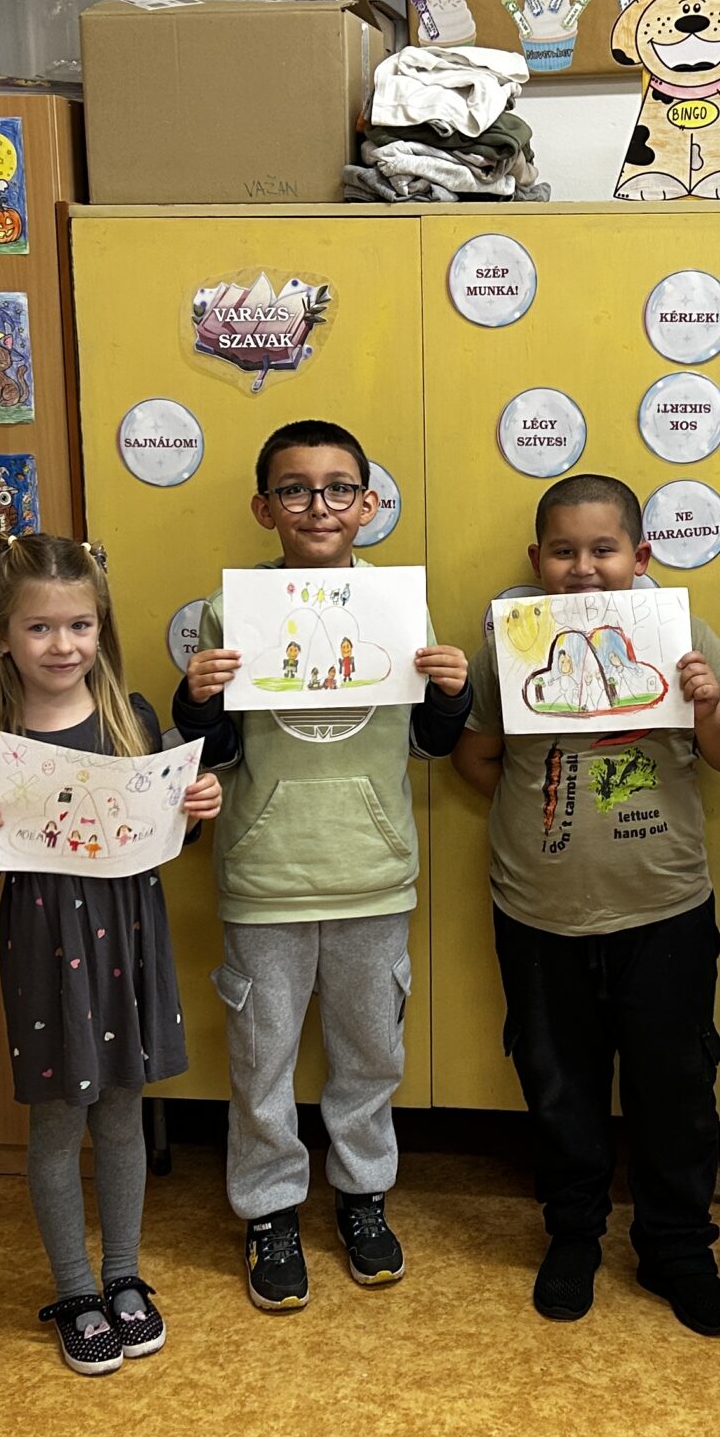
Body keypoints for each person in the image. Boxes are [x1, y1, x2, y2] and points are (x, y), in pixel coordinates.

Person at [173, 422, 472, 1310]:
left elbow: (427, 743)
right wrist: (199, 702)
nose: (318, 506)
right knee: (260, 1059)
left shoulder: (399, 606)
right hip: (265, 874)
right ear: (264, 507)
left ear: (368, 505)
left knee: (371, 1052)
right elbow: (218, 753)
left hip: (372, 871)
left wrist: (453, 694)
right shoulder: (229, 611)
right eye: (295, 490)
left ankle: (362, 1195)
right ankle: (268, 1209)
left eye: (339, 489)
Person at [451, 473, 720, 1332]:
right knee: (558, 1084)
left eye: (603, 549)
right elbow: (475, 756)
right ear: (536, 558)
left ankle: (676, 1247)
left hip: (664, 907)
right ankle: (574, 1233)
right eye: (563, 551)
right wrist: (540, 815)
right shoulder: (509, 640)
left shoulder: (683, 632)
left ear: (640, 555)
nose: (583, 568)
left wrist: (706, 705)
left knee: (676, 1086)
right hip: (538, 910)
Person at [0, 537, 222, 1372]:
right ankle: (75, 1288)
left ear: (101, 627)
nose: (62, 645)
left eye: (79, 625)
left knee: (122, 1110)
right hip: (44, 946)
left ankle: (124, 1275)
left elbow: (164, 831)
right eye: (40, 628)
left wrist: (197, 809)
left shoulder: (129, 719)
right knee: (57, 1120)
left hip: (128, 934)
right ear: (1, 634)